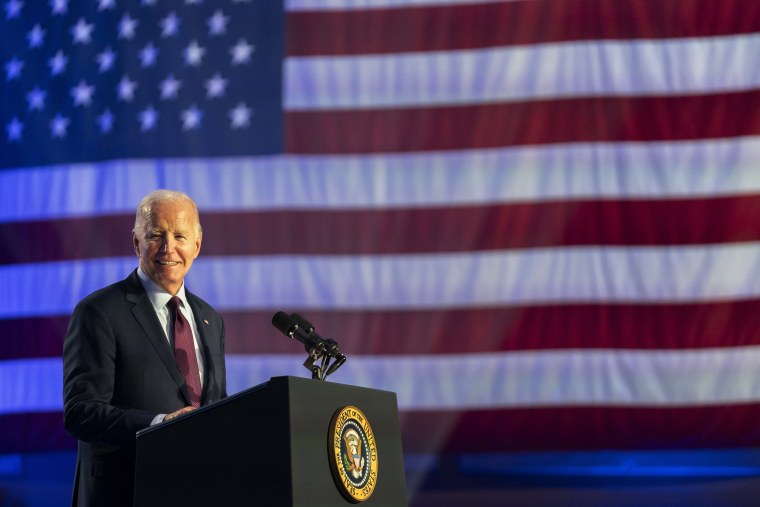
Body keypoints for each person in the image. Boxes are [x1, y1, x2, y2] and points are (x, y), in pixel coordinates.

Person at [63, 189, 227, 507]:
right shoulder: (99, 311)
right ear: (137, 242)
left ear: (197, 245)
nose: (169, 248)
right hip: (125, 492)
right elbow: (80, 412)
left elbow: (215, 407)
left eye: (180, 235)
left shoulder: (210, 319)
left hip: (195, 492)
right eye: (156, 234)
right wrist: (159, 425)